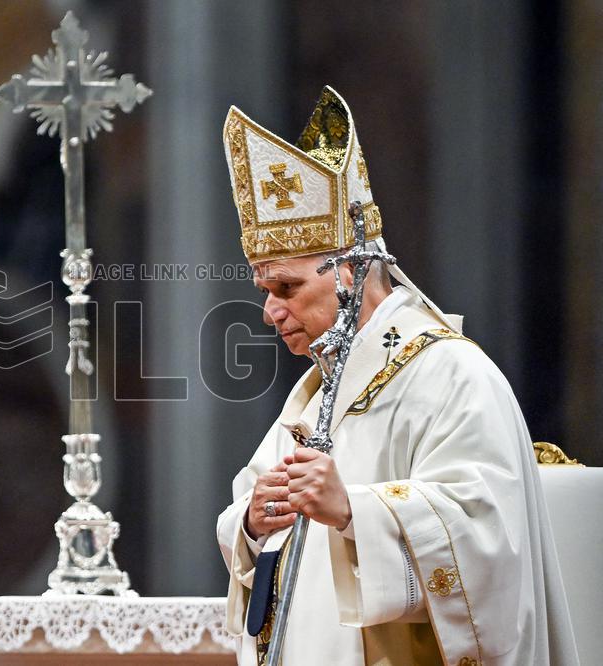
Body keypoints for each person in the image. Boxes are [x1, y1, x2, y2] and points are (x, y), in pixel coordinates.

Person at [216, 86, 579, 665]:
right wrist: (254, 522)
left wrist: (352, 509)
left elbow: (488, 541)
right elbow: (250, 508)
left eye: (288, 288)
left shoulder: (453, 376)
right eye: (264, 291)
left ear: (356, 271)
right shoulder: (317, 394)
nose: (269, 312)